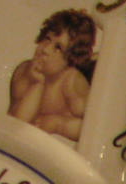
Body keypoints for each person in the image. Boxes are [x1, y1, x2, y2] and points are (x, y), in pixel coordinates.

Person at [7, 9, 96, 140]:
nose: (46, 49)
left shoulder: (71, 82)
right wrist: (37, 84)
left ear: (70, 59)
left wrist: (59, 125)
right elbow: (16, 124)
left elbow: (93, 126)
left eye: (58, 48)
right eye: (47, 39)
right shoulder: (24, 72)